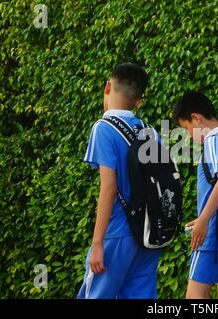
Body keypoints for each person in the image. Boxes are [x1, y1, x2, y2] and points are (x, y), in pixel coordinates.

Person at [77, 63, 161, 299]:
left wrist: (97, 243)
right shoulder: (150, 131)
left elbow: (109, 187)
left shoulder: (103, 128)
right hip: (147, 233)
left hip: (116, 233)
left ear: (107, 86)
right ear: (138, 101)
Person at [173, 91, 218, 299]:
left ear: (196, 118)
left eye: (187, 129)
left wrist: (203, 220)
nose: (188, 136)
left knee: (195, 297)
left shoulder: (214, 141)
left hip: (214, 235)